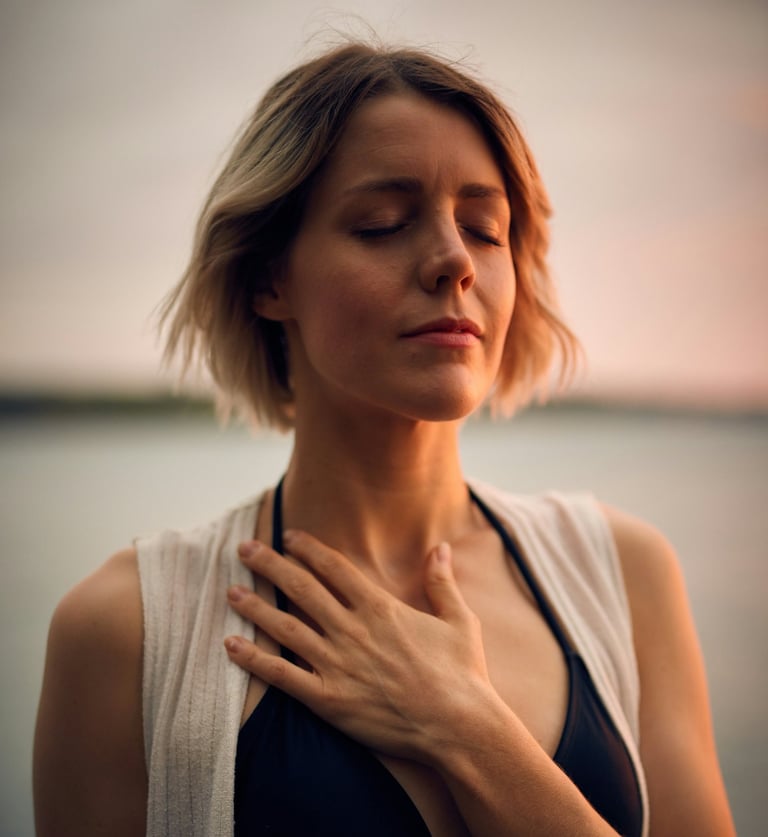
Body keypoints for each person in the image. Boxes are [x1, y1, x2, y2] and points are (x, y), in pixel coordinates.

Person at [33, 41, 735, 837]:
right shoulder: (127, 631)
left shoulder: (624, 575)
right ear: (268, 278)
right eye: (383, 225)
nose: (453, 260)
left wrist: (467, 727)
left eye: (484, 229)